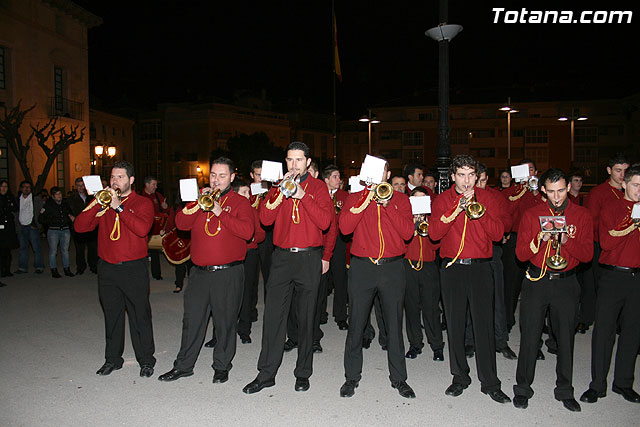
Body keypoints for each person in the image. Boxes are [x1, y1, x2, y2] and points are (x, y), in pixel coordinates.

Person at [243, 141, 332, 394]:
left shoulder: (318, 187)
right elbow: (265, 219)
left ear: (308, 162)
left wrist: (302, 196)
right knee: (273, 317)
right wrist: (281, 192)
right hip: (281, 258)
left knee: (306, 318)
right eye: (290, 160)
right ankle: (266, 373)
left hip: (308, 258)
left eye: (299, 160)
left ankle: (303, 372)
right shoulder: (277, 186)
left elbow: (325, 222)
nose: (294, 165)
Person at [159, 157, 254, 384]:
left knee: (225, 321)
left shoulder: (240, 203)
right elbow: (181, 223)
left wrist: (221, 211)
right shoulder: (200, 198)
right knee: (192, 321)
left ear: (232, 177)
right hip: (200, 272)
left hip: (228, 272)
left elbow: (247, 231)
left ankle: (221, 366)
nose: (216, 180)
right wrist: (196, 205)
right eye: (213, 175)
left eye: (222, 176)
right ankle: (184, 365)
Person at [429, 154, 511, 404]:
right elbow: (434, 234)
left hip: (480, 269)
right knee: (454, 325)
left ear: (477, 176)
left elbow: (499, 234)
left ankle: (490, 382)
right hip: (452, 268)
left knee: (483, 326)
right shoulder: (442, 200)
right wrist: (454, 211)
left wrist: (481, 213)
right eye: (461, 175)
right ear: (453, 177)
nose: (467, 181)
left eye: (471, 175)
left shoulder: (490, 199)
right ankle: (460, 377)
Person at [513, 168, 593, 412]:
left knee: (565, 338)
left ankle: (565, 389)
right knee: (529, 336)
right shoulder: (531, 214)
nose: (556, 197)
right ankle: (523, 388)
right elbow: (520, 254)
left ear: (568, 187)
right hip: (537, 280)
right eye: (551, 192)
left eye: (561, 191)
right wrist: (539, 239)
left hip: (567, 282)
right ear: (544, 191)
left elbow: (588, 255)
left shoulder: (581, 215)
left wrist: (566, 240)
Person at [339, 160, 416, 399]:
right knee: (356, 324)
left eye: (380, 171)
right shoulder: (355, 198)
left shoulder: (401, 200)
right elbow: (344, 228)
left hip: (392, 268)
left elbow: (407, 233)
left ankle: (399, 378)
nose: (375, 175)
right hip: (363, 268)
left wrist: (388, 204)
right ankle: (351, 377)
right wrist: (365, 200)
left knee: (394, 324)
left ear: (388, 174)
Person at [75, 160, 156, 378]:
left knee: (140, 315)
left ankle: (146, 359)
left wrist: (119, 206)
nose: (114, 181)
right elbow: (80, 227)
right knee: (112, 316)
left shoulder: (142, 203)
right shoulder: (102, 202)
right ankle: (112, 359)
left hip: (133, 268)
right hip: (107, 268)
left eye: (120, 177)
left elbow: (142, 229)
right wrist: (95, 204)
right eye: (112, 177)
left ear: (131, 180)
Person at [580, 164, 640, 405]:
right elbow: (606, 242)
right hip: (613, 276)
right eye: (636, 184)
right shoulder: (612, 207)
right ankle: (597, 385)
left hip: (637, 278)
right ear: (624, 183)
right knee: (604, 332)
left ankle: (624, 382)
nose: (639, 190)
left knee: (632, 332)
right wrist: (632, 222)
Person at [466, 163, 517, 360]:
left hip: (492, 251)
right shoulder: (464, 196)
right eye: (477, 180)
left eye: (484, 180)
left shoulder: (495, 197)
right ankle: (469, 340)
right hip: (470, 250)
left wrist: (499, 228)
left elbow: (507, 221)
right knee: (470, 298)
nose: (480, 183)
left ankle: (500, 340)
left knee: (497, 297)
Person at [582, 153, 630, 334]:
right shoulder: (599, 193)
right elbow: (591, 221)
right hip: (601, 245)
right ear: (609, 171)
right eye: (618, 171)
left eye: (626, 171)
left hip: (627, 248)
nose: (622, 175)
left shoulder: (633, 191)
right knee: (601, 287)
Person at [502, 159, 545, 333]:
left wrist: (534, 192)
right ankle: (506, 321)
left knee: (537, 285)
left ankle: (538, 326)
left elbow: (544, 212)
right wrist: (520, 192)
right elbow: (507, 214)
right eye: (524, 171)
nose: (528, 174)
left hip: (539, 239)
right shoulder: (510, 192)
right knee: (511, 284)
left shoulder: (541, 192)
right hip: (515, 238)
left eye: (531, 170)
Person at [403, 187, 444, 362]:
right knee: (411, 307)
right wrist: (412, 224)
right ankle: (415, 344)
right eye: (416, 199)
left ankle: (437, 346)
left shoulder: (432, 219)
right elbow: (401, 243)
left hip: (428, 267)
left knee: (431, 308)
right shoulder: (405, 219)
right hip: (408, 266)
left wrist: (427, 226)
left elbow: (436, 245)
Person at [235, 178, 265, 344]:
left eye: (248, 192)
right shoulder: (227, 209)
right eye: (244, 192)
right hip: (231, 254)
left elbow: (261, 234)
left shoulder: (252, 211)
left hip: (250, 253)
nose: (248, 195)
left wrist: (251, 236)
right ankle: (219, 334)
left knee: (247, 293)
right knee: (227, 295)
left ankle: (244, 330)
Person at [325, 165, 349, 331]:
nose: (339, 180)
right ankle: (319, 313)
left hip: (339, 241)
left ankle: (341, 316)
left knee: (341, 279)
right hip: (323, 240)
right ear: (326, 179)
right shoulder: (319, 194)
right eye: (335, 176)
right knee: (321, 280)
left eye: (339, 176)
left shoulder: (344, 196)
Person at [39, 186, 75, 278]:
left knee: (65, 251)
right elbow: (41, 218)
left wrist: (70, 218)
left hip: (65, 229)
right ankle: (53, 270)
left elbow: (70, 213)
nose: (59, 196)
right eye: (57, 194)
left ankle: (67, 269)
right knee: (53, 251)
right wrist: (51, 222)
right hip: (53, 230)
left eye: (60, 193)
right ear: (53, 196)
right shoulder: (48, 205)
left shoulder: (65, 204)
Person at [139, 175, 168, 280]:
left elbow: (165, 211)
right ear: (147, 184)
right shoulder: (140, 196)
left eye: (156, 184)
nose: (155, 187)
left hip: (156, 229)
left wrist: (165, 208)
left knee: (155, 252)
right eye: (153, 184)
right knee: (141, 253)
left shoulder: (158, 196)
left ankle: (156, 274)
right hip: (143, 228)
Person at [68, 177, 98, 274]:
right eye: (79, 186)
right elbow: (67, 209)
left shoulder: (91, 197)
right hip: (78, 226)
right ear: (76, 187)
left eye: (83, 185)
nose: (81, 187)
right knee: (79, 249)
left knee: (92, 248)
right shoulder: (71, 198)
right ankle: (80, 267)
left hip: (90, 226)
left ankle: (93, 266)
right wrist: (71, 217)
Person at [15, 180, 44, 274]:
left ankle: (39, 266)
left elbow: (42, 212)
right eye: (24, 187)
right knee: (23, 248)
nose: (26, 189)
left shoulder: (36, 199)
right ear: (21, 188)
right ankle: (22, 267)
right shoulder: (17, 199)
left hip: (32, 226)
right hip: (21, 226)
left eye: (28, 187)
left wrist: (38, 225)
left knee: (36, 247)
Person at [0, 180, 19, 280]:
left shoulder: (9, 197)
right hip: (1, 226)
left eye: (5, 187)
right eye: (2, 186)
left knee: (8, 250)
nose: (3, 189)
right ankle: (2, 270)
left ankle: (7, 269)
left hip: (9, 226)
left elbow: (15, 208)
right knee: (2, 249)